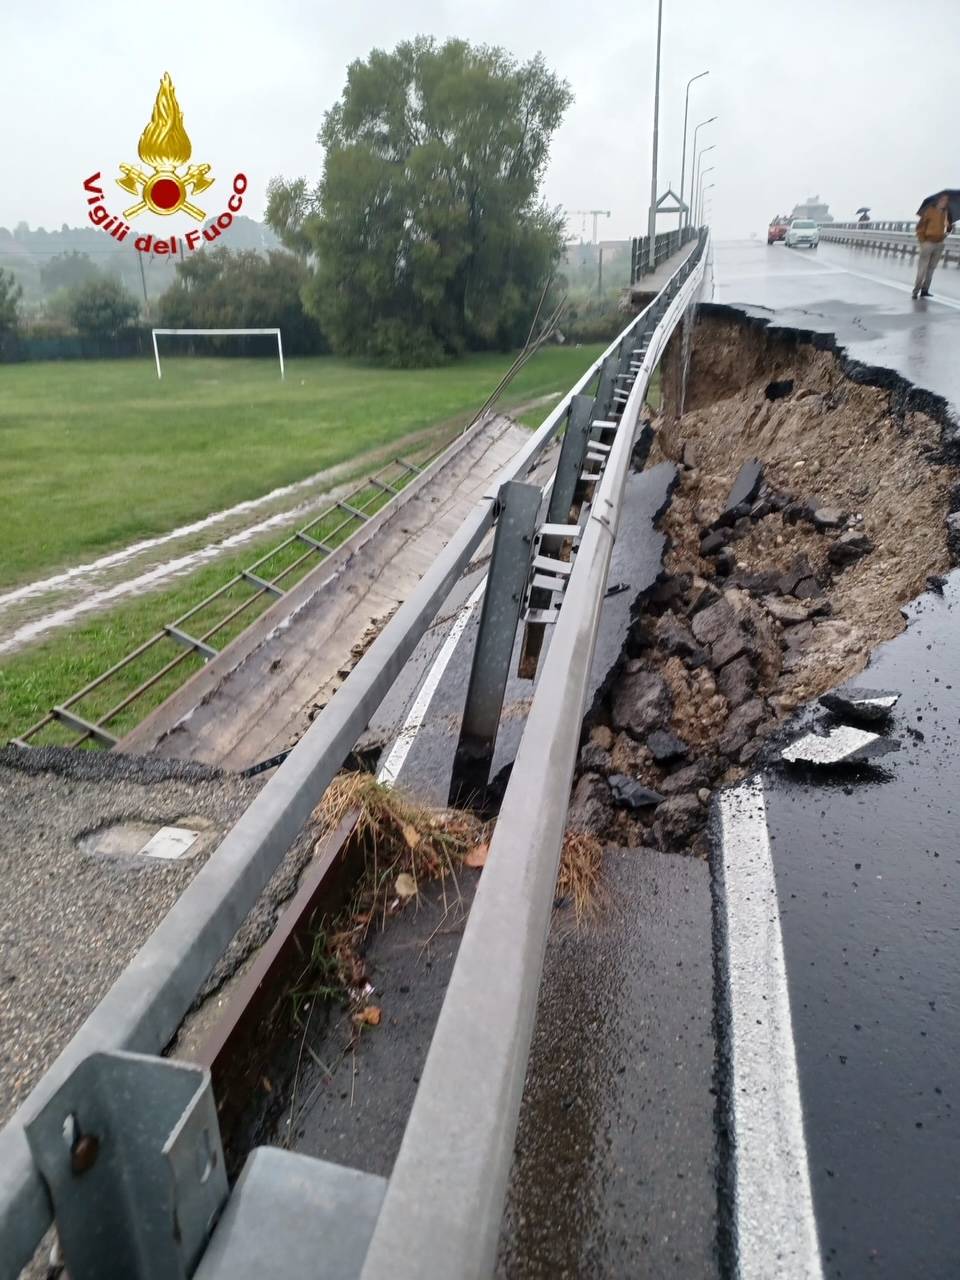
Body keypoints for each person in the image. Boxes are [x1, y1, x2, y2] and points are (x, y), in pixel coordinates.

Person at [912, 194, 953, 298]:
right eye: (943, 200)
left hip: (939, 244)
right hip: (928, 243)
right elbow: (919, 228)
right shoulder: (929, 211)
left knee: (931, 269)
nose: (945, 202)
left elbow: (947, 230)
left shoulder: (946, 213)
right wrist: (923, 242)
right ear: (938, 200)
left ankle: (925, 291)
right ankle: (915, 291)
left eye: (946, 200)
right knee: (922, 269)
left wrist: (949, 228)